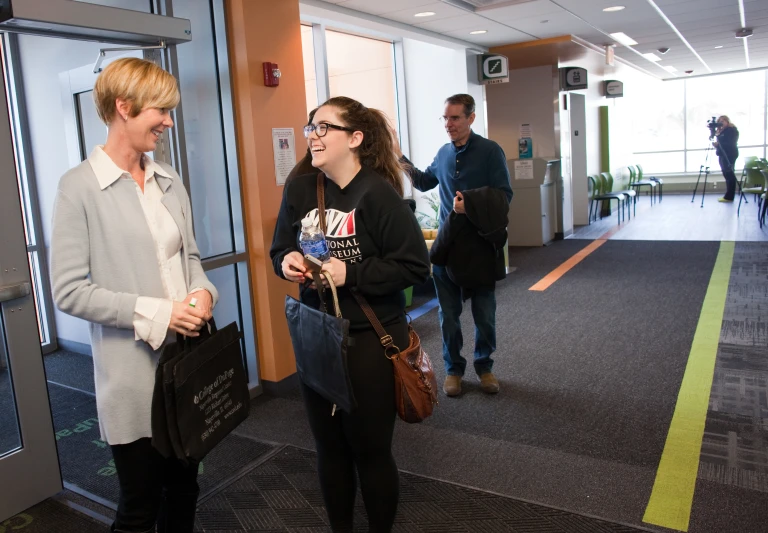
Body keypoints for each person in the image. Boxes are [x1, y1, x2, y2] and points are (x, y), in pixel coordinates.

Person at [51, 57, 218, 533]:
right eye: (160, 111)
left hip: (184, 367)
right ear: (123, 107)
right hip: (132, 378)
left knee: (185, 489)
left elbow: (191, 259)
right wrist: (163, 312)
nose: (168, 121)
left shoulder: (168, 178)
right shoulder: (78, 188)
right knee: (140, 504)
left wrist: (202, 294)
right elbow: (69, 291)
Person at [270, 96, 430, 532]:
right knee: (328, 448)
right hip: (317, 335)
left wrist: (350, 272)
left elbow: (415, 267)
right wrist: (287, 261)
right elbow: (280, 247)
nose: (313, 136)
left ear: (355, 138)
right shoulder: (301, 187)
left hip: (370, 340)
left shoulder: (379, 194)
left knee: (370, 450)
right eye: (311, 127)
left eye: (325, 128)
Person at [396, 93, 512, 397]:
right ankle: (453, 370)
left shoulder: (490, 151)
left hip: (482, 247)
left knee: (484, 316)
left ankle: (484, 367)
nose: (449, 124)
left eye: (455, 118)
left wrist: (470, 206)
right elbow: (423, 182)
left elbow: (504, 195)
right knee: (448, 316)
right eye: (445, 118)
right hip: (449, 248)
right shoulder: (444, 153)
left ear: (471, 118)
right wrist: (397, 155)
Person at [713, 115, 739, 203]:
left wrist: (719, 144)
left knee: (729, 174)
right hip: (722, 154)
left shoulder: (731, 130)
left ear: (727, 121)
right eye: (720, 121)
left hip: (729, 155)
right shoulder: (721, 131)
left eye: (723, 121)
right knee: (726, 174)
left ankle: (729, 196)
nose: (721, 123)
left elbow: (730, 143)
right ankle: (728, 195)